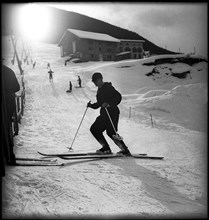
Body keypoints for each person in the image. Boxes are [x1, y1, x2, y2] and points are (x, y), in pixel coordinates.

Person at [87, 72, 131, 155]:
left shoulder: (108, 87)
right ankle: (106, 148)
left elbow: (118, 97)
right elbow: (100, 103)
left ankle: (125, 150)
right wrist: (91, 106)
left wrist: (109, 104)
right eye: (93, 82)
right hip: (104, 114)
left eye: (95, 81)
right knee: (94, 129)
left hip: (112, 113)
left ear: (100, 79)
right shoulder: (99, 90)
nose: (95, 83)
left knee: (111, 132)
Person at [1, 62, 20, 170]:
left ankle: (9, 156)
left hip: (6, 104)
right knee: (6, 129)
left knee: (5, 129)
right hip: (8, 104)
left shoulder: (7, 71)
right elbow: (17, 87)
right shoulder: (8, 71)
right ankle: (9, 156)